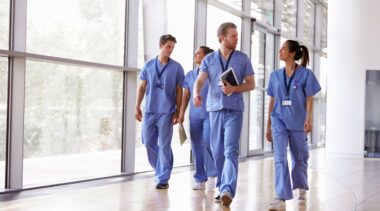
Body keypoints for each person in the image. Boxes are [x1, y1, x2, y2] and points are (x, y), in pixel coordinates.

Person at [193, 22, 255, 207]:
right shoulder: (209, 59)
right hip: (214, 110)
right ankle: (221, 187)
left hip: (234, 110)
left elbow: (251, 84)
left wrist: (234, 88)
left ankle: (228, 188)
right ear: (222, 38)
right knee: (217, 151)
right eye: (233, 36)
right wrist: (197, 94)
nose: (237, 39)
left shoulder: (243, 59)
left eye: (237, 35)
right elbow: (200, 80)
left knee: (230, 149)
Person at [266, 40, 321, 210]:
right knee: (280, 158)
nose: (280, 50)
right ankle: (280, 196)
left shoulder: (306, 74)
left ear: (292, 53)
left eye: (283, 49)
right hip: (278, 121)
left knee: (299, 158)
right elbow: (272, 100)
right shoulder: (275, 75)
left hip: (298, 121)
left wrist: (309, 119)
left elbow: (310, 98)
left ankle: (301, 187)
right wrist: (268, 124)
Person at [135, 34, 184, 189]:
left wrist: (178, 110)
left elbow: (179, 91)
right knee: (148, 142)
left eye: (172, 48)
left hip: (167, 111)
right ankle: (161, 169)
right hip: (149, 110)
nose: (170, 50)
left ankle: (162, 178)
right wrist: (137, 106)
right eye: (168, 47)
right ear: (160, 45)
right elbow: (142, 87)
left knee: (164, 145)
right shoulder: (148, 65)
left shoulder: (177, 67)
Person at [178, 46, 217, 191]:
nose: (195, 55)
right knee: (196, 146)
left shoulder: (212, 74)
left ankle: (212, 175)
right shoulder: (189, 75)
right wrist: (181, 113)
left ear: (206, 56)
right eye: (195, 53)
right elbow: (186, 95)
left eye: (198, 53)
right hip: (194, 116)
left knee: (207, 143)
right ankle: (200, 178)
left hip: (209, 114)